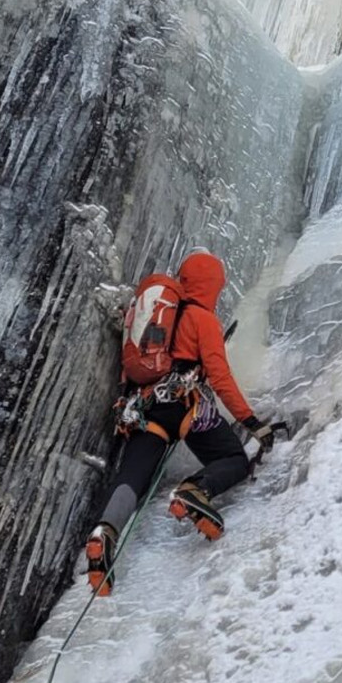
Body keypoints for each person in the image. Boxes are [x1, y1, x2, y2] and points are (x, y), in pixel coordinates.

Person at [85, 249, 274, 594]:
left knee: (132, 477)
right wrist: (251, 422)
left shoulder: (157, 316)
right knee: (232, 459)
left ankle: (104, 532)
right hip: (183, 406)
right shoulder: (202, 319)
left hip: (142, 409)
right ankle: (194, 492)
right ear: (212, 286)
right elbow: (220, 377)